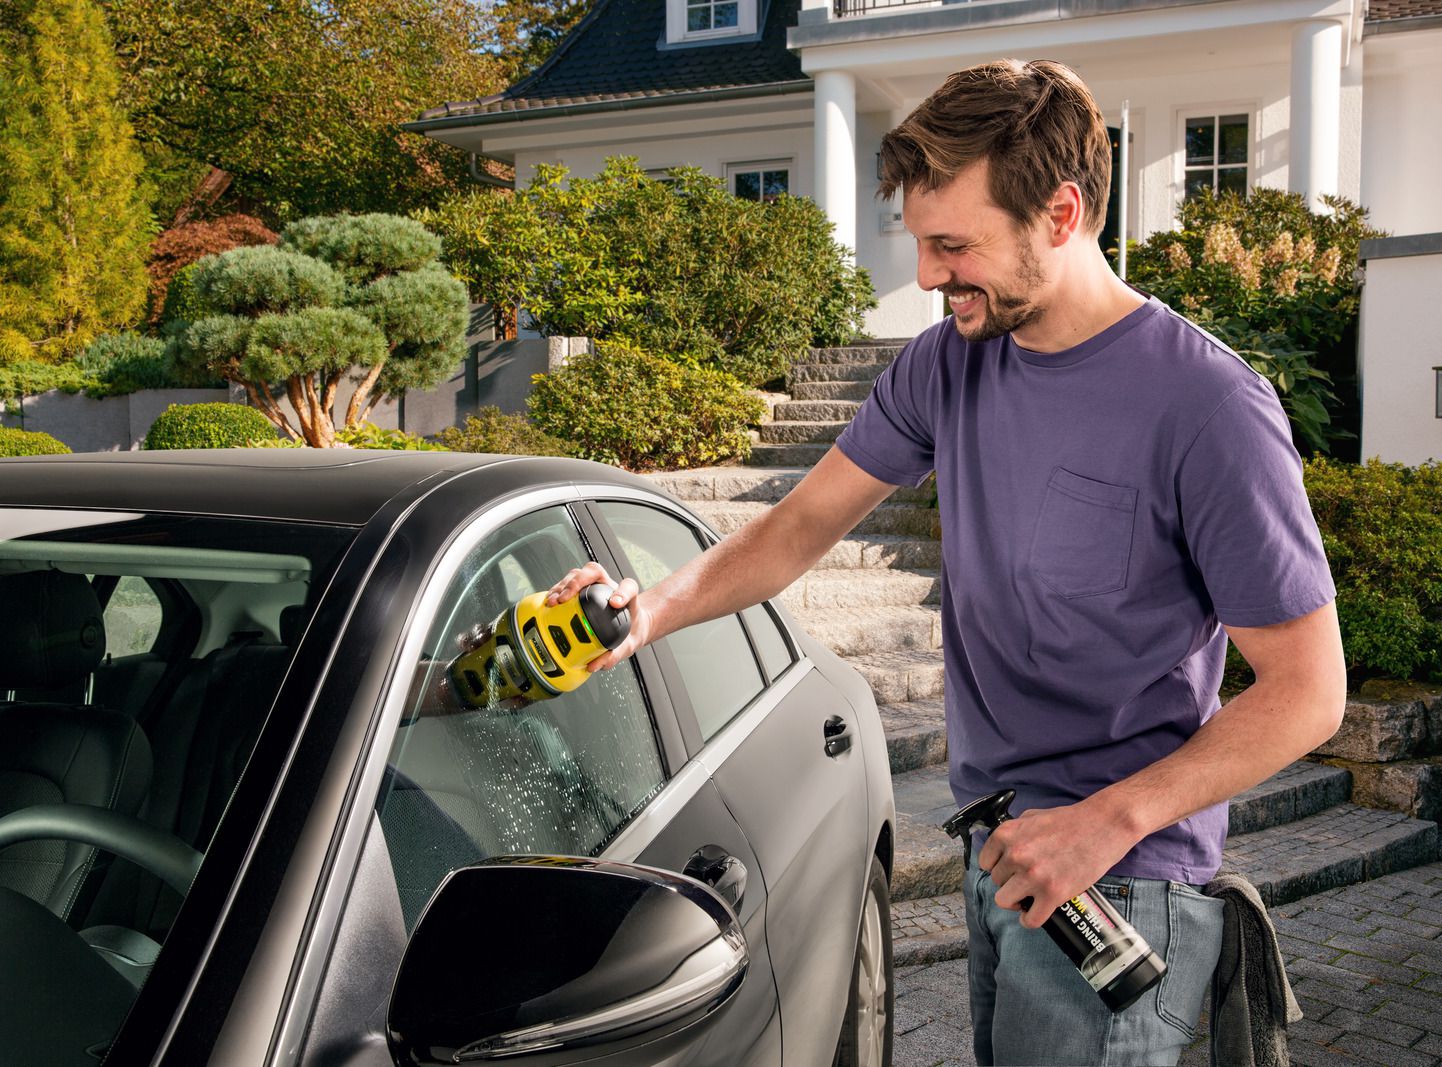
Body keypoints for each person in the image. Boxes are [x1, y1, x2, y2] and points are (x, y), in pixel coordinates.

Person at [546, 58, 1346, 1066]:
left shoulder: (1208, 409)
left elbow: (1309, 692)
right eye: (921, 244)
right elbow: (795, 529)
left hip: (1119, 873)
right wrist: (644, 609)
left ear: (1060, 213)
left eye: (953, 245)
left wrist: (1102, 823)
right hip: (998, 848)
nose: (926, 277)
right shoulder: (948, 360)